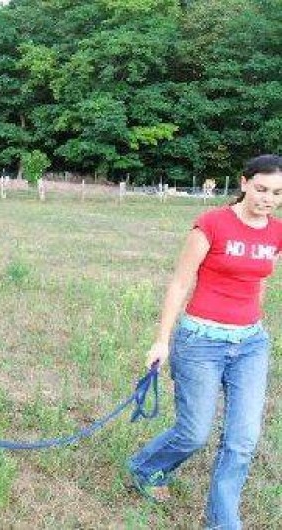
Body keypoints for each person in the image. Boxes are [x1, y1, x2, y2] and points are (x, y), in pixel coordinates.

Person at [127, 154, 282, 530]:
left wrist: (253, 322)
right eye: (261, 189)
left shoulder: (276, 233)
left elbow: (260, 279)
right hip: (201, 341)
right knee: (194, 433)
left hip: (250, 344)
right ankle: (146, 466)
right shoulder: (211, 224)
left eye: (277, 193)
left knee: (242, 440)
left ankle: (223, 522)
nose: (268, 199)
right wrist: (161, 341)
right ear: (244, 183)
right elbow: (180, 283)